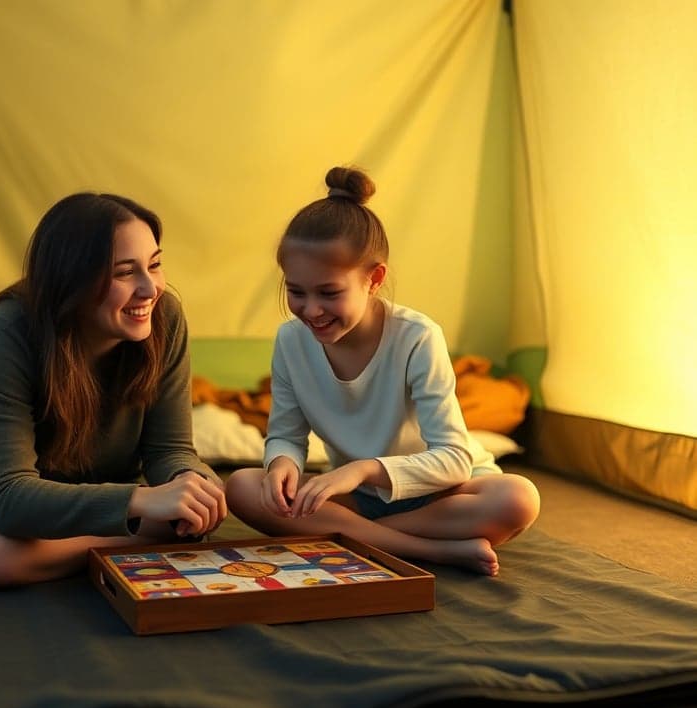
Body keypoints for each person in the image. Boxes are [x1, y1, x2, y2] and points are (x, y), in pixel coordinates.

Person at [225, 167, 539, 576]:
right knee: (243, 488)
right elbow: (285, 433)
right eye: (296, 292)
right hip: (362, 497)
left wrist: (362, 469)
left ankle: (352, 538)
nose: (310, 310)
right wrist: (281, 464)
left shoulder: (417, 337)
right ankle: (430, 550)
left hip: (442, 492)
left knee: (518, 498)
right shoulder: (290, 341)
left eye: (329, 293)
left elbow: (455, 459)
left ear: (374, 279)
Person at [0, 192, 227, 587]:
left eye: (155, 265)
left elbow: (170, 450)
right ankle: (128, 538)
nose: (151, 289)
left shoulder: (166, 318)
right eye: (125, 272)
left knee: (199, 502)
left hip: (95, 487)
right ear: (73, 279)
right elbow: (9, 498)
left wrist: (190, 482)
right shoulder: (6, 332)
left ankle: (82, 542)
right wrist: (139, 504)